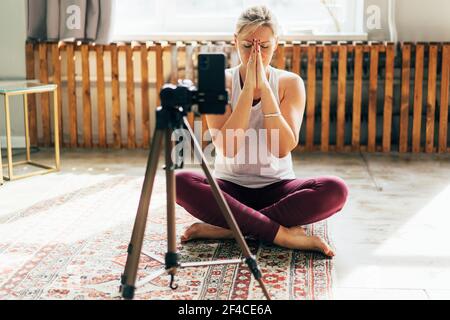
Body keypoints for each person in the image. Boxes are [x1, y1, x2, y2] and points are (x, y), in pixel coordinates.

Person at [175, 5, 348, 257]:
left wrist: (265, 89)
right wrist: (246, 92)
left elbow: (282, 148)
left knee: (336, 190)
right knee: (179, 182)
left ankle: (230, 228)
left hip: (278, 189)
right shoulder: (215, 81)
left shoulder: (291, 83)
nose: (255, 53)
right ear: (235, 42)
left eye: (264, 47)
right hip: (229, 188)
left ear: (276, 43)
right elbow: (228, 148)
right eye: (247, 46)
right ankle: (282, 235)